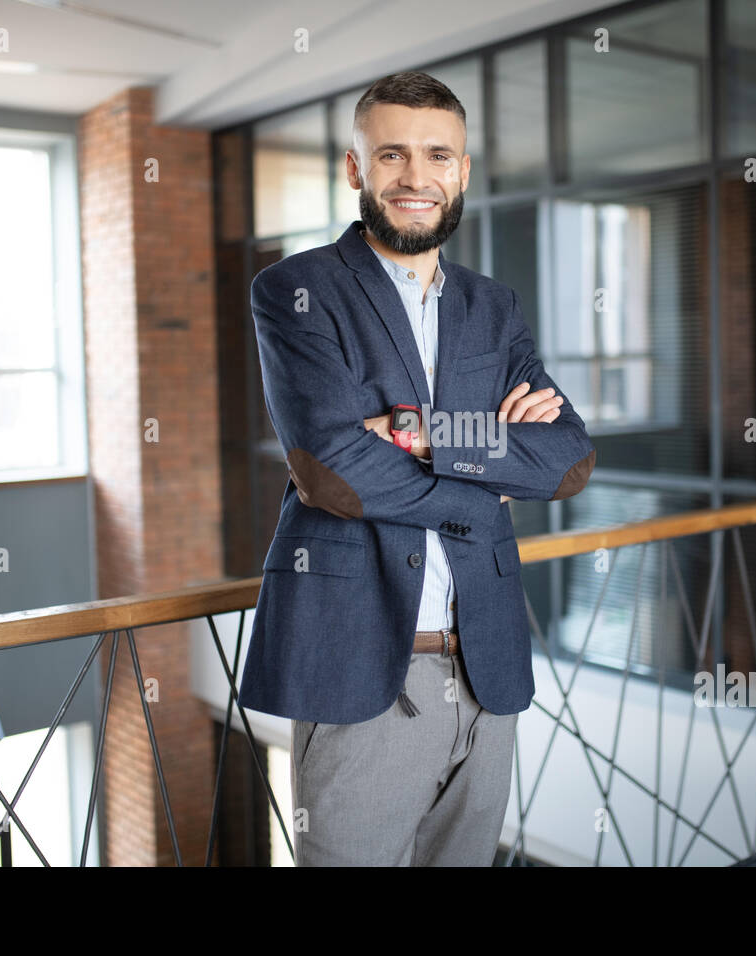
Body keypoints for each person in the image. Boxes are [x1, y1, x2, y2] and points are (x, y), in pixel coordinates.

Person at [238, 71, 595, 866]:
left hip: (487, 665)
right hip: (365, 670)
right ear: (356, 169)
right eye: (392, 154)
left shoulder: (492, 307)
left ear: (463, 173)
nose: (416, 176)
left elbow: (567, 459)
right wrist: (485, 478)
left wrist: (411, 429)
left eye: (438, 155)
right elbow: (332, 469)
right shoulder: (297, 291)